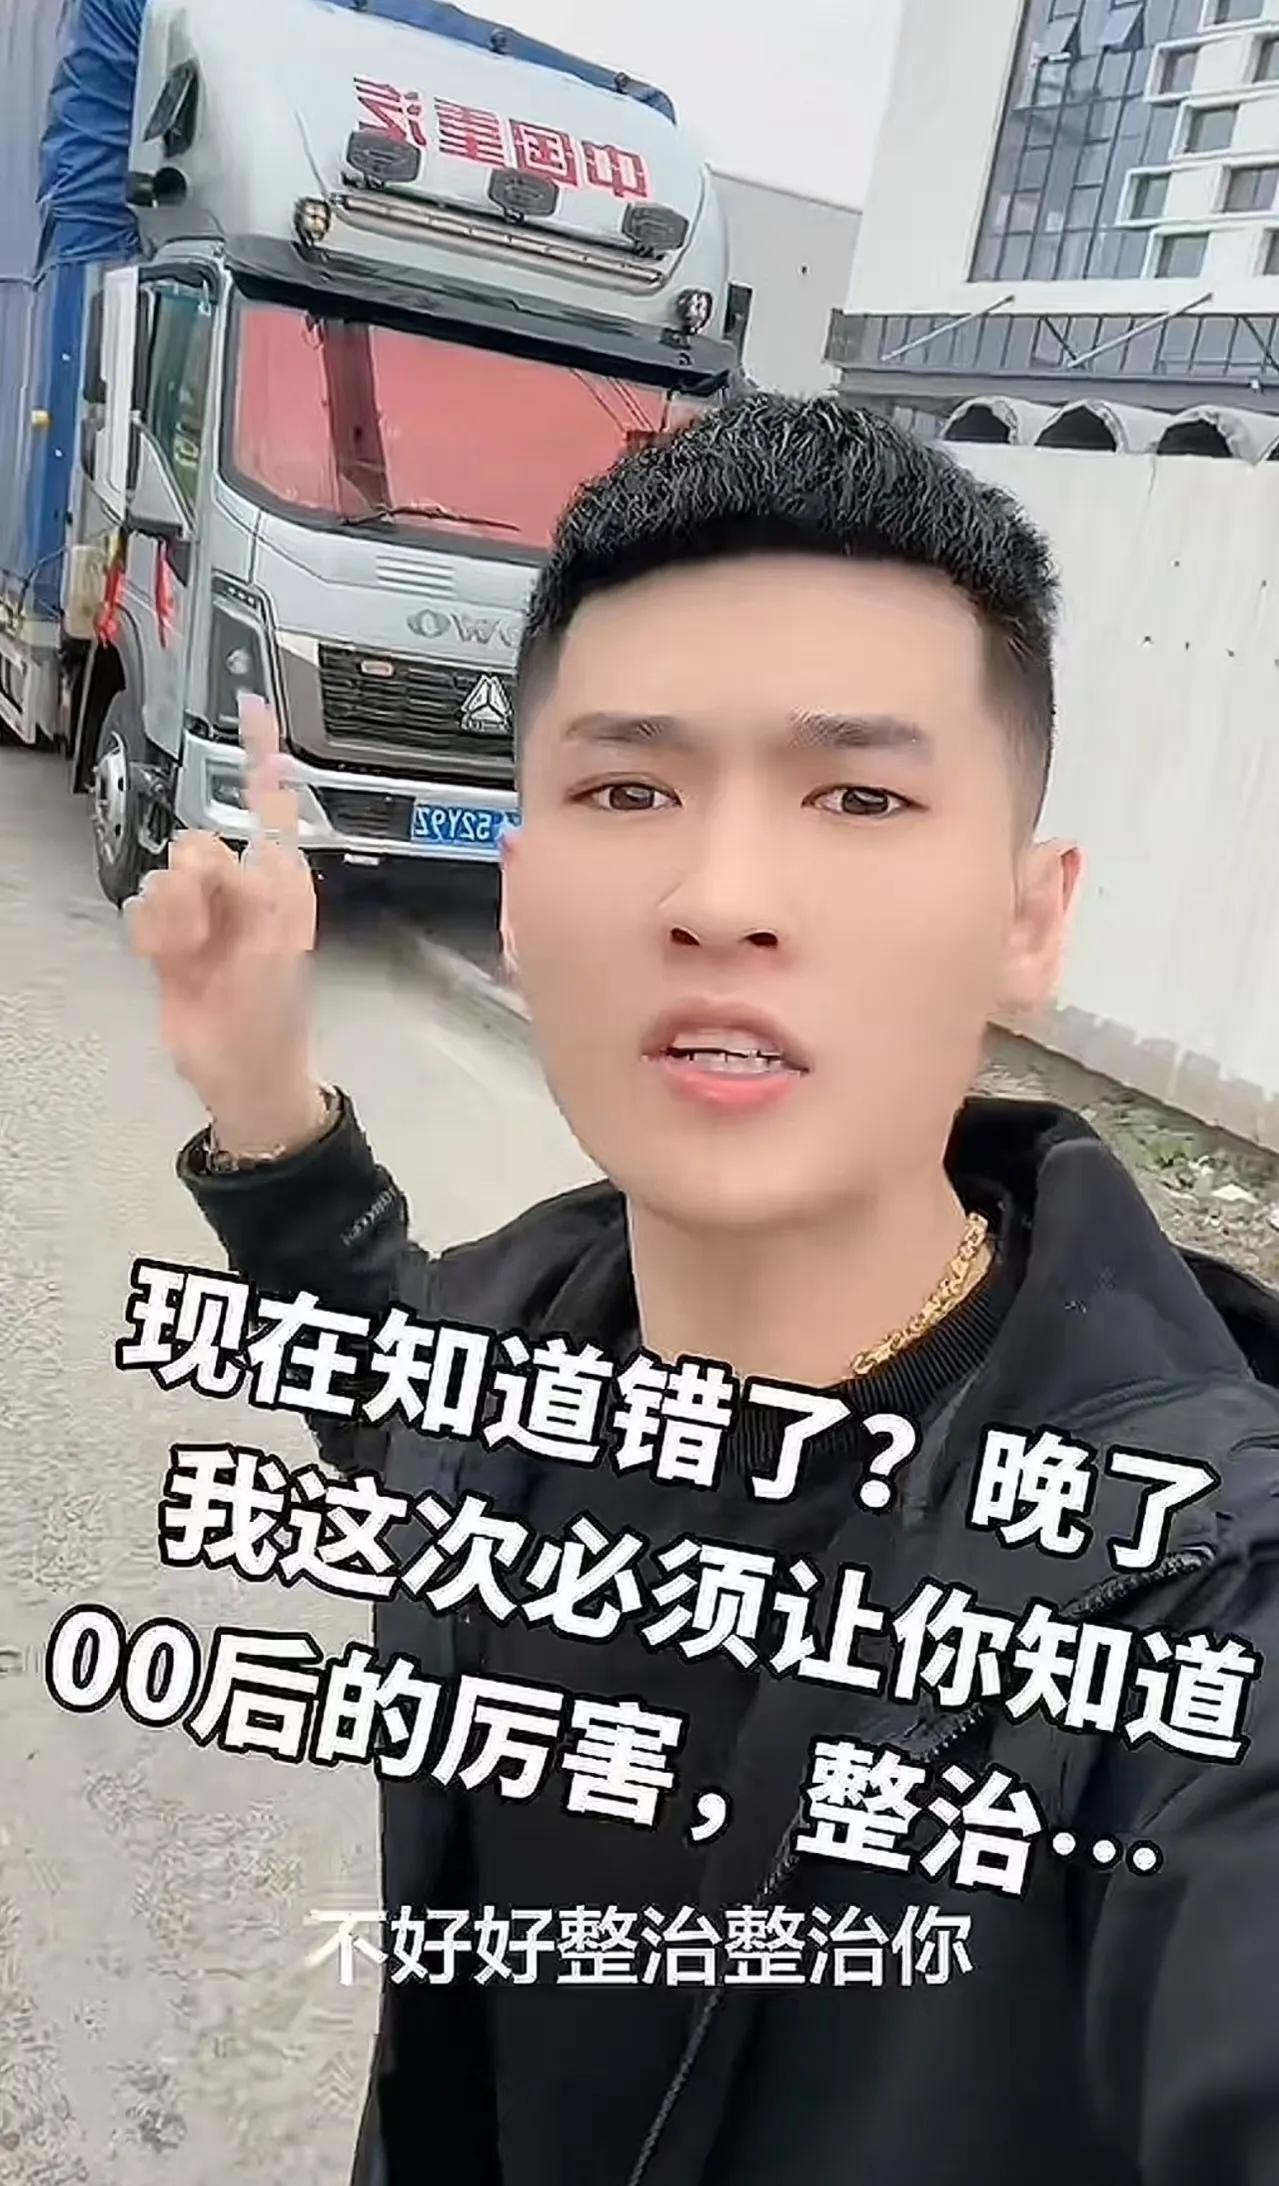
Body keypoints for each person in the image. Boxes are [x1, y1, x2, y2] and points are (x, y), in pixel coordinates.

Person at [131, 396, 1279, 2186]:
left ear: (1030, 918)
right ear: (521, 898)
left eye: (860, 796)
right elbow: (402, 1407)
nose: (723, 895)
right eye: (629, 790)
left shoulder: (1197, 1584)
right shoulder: (531, 1328)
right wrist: (265, 1100)